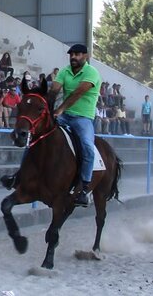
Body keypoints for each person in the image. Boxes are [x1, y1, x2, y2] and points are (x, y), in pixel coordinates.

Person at [48, 43, 102, 207]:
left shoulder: (91, 72)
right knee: (37, 133)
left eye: (77, 54)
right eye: (71, 54)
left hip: (83, 118)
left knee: (87, 146)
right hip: (64, 116)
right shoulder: (64, 71)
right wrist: (47, 109)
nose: (73, 57)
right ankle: (20, 174)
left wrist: (60, 109)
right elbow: (54, 91)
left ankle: (85, 188)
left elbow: (78, 93)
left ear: (86, 56)